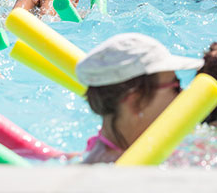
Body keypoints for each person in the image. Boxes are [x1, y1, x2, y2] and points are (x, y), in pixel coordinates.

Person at [75, 33, 204, 164]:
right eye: (175, 87)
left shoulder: (109, 146)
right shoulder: (121, 170)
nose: (183, 93)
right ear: (136, 101)